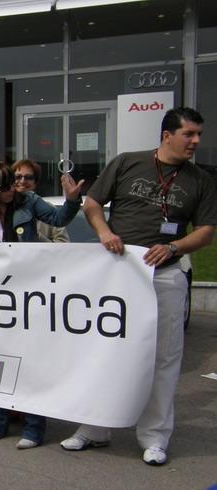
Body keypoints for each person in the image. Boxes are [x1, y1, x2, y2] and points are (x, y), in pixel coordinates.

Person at [60, 107, 217, 466]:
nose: (196, 141)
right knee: (105, 351)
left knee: (165, 357)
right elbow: (93, 204)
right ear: (167, 135)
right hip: (119, 273)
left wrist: (174, 247)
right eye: (189, 134)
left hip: (166, 275)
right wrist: (105, 233)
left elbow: (206, 232)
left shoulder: (200, 180)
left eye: (198, 134)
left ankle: (155, 437)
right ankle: (95, 427)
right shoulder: (127, 162)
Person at [0, 159, 81, 448]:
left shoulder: (28, 202)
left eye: (13, 183)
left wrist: (71, 200)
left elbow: (59, 219)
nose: (13, 189)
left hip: (29, 293)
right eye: (4, 186)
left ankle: (33, 427)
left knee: (30, 360)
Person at [12, 159, 69, 243]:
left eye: (29, 177)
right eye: (18, 177)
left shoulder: (49, 210)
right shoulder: (5, 207)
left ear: (35, 183)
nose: (22, 181)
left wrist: (35, 235)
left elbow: (63, 243)